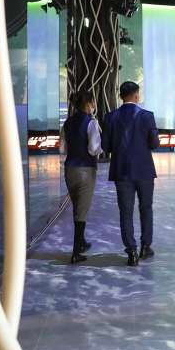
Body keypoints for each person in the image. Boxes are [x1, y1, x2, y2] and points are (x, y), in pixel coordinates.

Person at [103, 81, 158, 266]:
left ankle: (131, 252)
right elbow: (154, 144)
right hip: (144, 170)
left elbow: (105, 146)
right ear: (136, 95)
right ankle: (145, 246)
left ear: (121, 96)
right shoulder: (147, 116)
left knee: (125, 212)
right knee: (146, 208)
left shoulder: (110, 117)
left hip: (121, 171)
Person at [60, 90, 102, 264]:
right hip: (86, 169)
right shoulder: (91, 123)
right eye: (93, 102)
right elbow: (94, 148)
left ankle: (81, 242)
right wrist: (101, 147)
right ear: (88, 104)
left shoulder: (67, 123)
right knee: (82, 211)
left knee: (77, 207)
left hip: (69, 169)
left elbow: (62, 148)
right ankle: (76, 252)